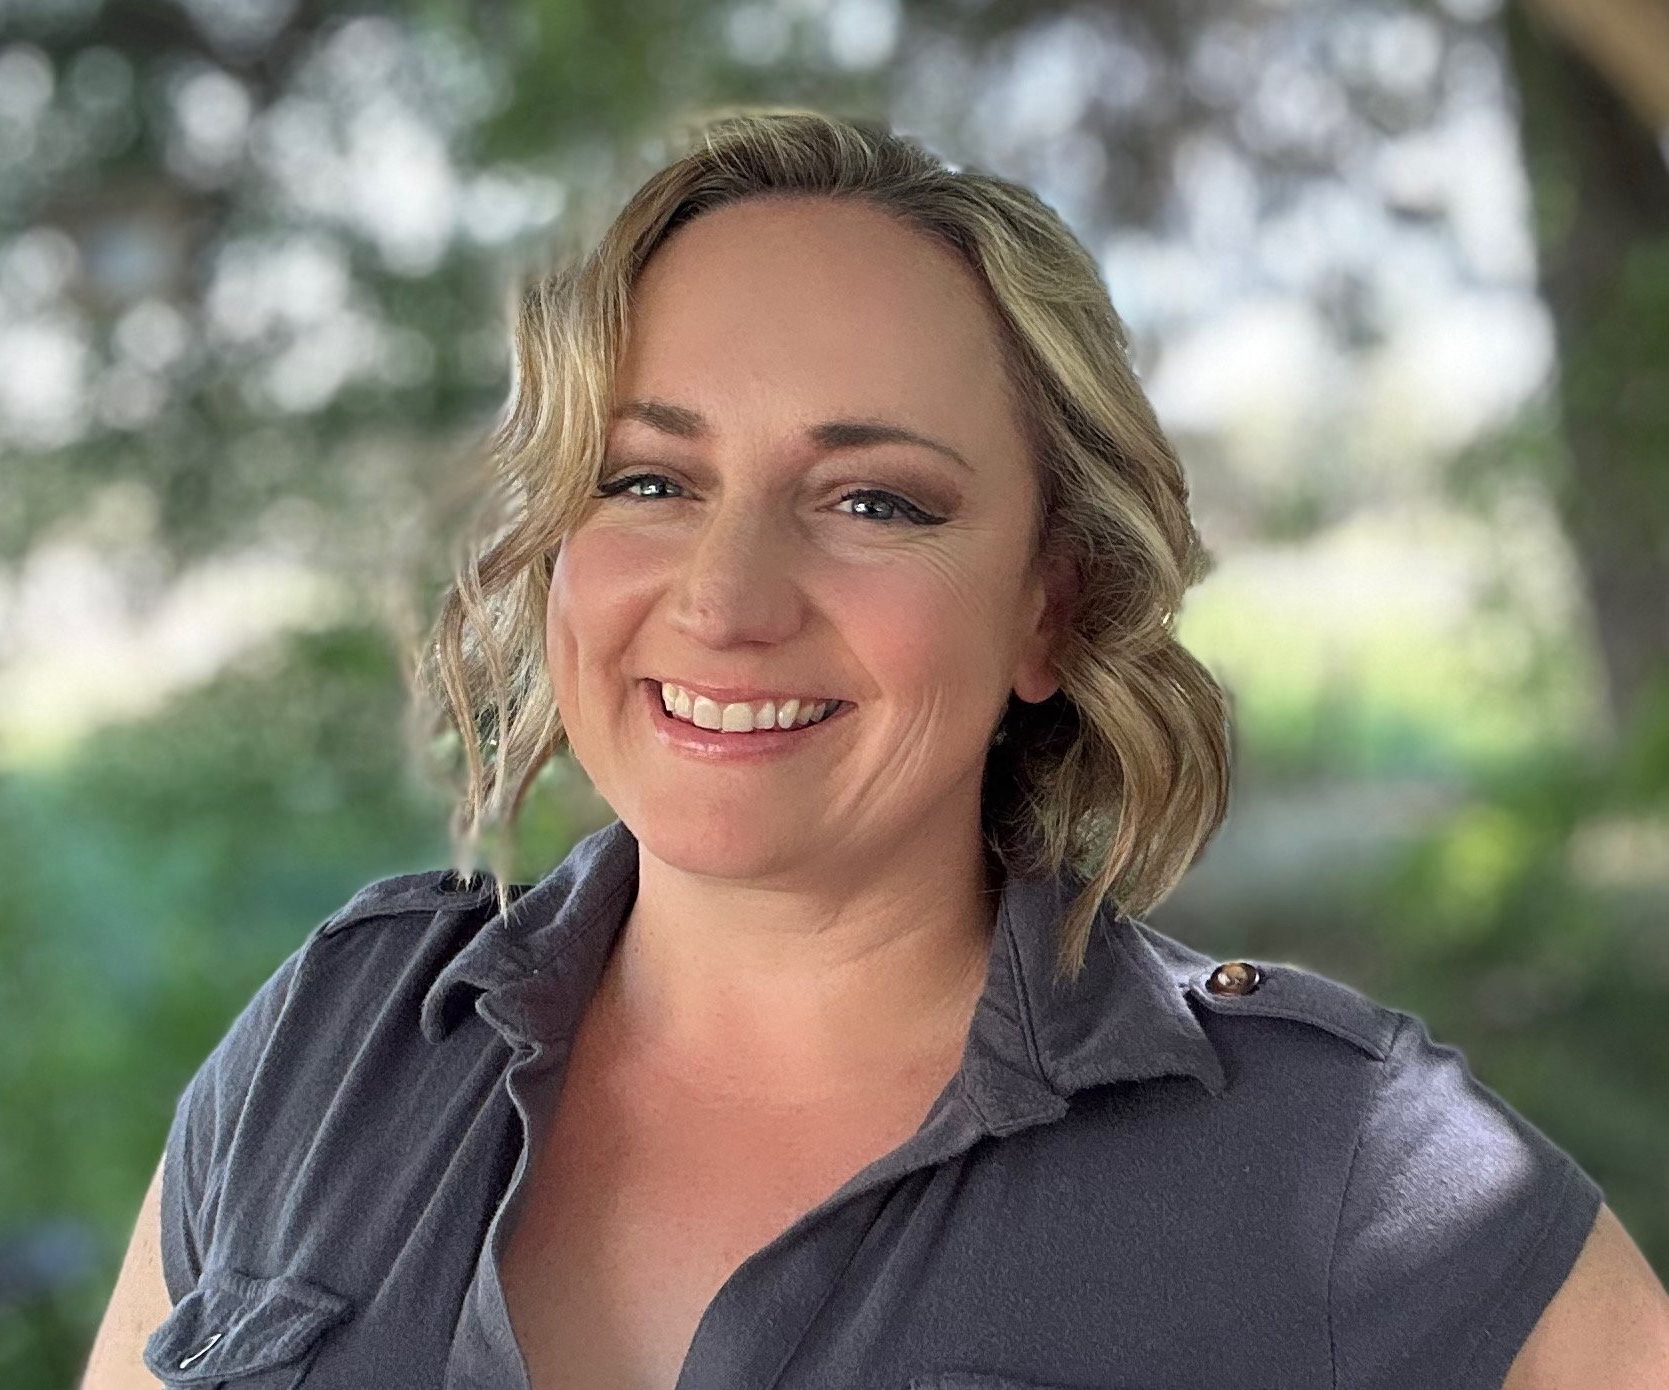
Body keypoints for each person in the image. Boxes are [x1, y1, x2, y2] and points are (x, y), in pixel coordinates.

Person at [83, 107, 1669, 1390]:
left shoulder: (1338, 1173)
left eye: (873, 502)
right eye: (648, 480)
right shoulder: (334, 1045)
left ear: (1051, 607)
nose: (726, 596)